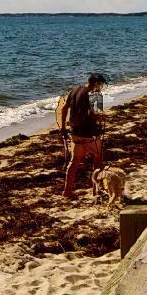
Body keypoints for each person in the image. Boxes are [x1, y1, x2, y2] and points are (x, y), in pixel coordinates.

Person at [57, 72, 108, 200]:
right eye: (101, 84)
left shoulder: (75, 90)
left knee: (74, 162)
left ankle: (67, 191)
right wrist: (102, 116)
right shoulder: (95, 94)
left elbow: (64, 109)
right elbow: (94, 114)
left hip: (75, 133)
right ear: (96, 83)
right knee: (98, 160)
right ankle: (96, 191)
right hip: (90, 134)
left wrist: (63, 127)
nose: (101, 87)